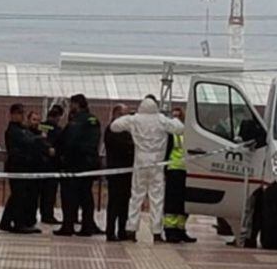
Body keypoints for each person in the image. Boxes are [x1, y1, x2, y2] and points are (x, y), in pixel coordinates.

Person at [110, 96, 184, 242]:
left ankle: (131, 229)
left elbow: (114, 126)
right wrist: (175, 119)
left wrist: (129, 118)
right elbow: (180, 129)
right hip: (157, 164)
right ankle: (156, 232)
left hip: (140, 164)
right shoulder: (162, 120)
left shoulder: (135, 119)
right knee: (157, 199)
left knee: (136, 197)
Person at [54, 94, 102, 237]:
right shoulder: (94, 120)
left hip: (74, 164)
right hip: (89, 164)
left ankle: (68, 226)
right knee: (86, 196)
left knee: (69, 196)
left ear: (76, 104)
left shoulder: (76, 121)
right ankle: (87, 226)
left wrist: (60, 154)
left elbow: (68, 141)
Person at [0, 104, 41, 234]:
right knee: (19, 196)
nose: (21, 116)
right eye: (19, 113)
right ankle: (19, 223)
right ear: (12, 114)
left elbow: (32, 138)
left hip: (24, 167)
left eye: (22, 113)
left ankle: (5, 222)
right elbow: (28, 141)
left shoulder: (22, 129)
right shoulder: (13, 130)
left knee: (17, 195)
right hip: (17, 166)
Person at [163, 107, 196, 243]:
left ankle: (181, 229)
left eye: (178, 115)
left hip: (186, 170)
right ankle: (170, 230)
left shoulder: (187, 132)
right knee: (172, 202)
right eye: (174, 116)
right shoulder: (170, 133)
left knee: (183, 202)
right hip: (173, 169)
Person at [104, 104, 135, 242]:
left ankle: (122, 230)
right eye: (124, 115)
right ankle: (110, 231)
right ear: (117, 115)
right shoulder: (113, 129)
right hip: (116, 170)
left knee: (124, 202)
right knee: (115, 202)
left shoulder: (126, 130)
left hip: (127, 171)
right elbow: (124, 147)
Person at [25, 110, 53, 227]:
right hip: (29, 169)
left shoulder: (42, 133)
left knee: (36, 196)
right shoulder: (28, 134)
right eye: (34, 120)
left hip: (40, 169)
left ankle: (32, 220)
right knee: (28, 197)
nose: (36, 123)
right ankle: (27, 220)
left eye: (38, 120)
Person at [37, 105, 64, 224]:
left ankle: (44, 214)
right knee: (50, 192)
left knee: (42, 192)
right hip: (53, 165)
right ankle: (48, 215)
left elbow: (40, 140)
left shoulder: (42, 126)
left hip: (41, 164)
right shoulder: (59, 130)